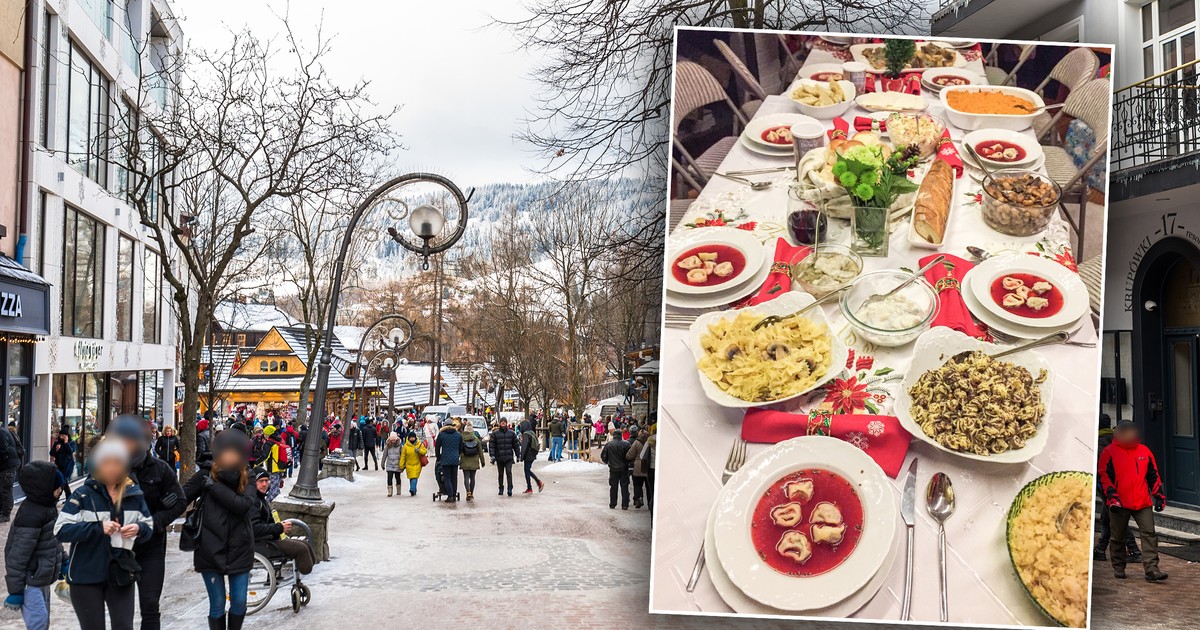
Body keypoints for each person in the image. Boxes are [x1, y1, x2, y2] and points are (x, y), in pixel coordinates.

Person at [54, 439, 153, 630]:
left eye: (117, 462)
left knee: (124, 626)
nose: (112, 468)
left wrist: (139, 529)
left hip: (121, 573)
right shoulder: (82, 495)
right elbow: (60, 530)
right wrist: (98, 528)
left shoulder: (134, 495)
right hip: (85, 575)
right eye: (107, 462)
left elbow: (148, 526)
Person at [110, 415, 187, 630]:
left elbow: (180, 502)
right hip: (118, 547)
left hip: (151, 546)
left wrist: (153, 523)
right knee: (121, 610)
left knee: (150, 605)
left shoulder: (161, 470)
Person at [183, 429, 258, 630]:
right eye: (226, 451)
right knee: (216, 604)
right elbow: (182, 498)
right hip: (210, 548)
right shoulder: (205, 475)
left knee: (239, 602)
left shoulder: (248, 476)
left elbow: (242, 505)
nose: (230, 456)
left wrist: (213, 487)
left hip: (240, 548)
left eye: (234, 452)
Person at [1098, 420, 1168, 582]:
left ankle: (1152, 569)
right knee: (1118, 536)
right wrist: (1112, 498)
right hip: (1119, 503)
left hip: (1142, 501)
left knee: (1149, 533)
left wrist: (1159, 496)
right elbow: (1104, 477)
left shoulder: (1144, 451)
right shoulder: (1109, 452)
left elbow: (1153, 475)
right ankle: (1119, 566)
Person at [3, 461, 65, 630]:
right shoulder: (31, 515)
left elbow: (53, 541)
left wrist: (64, 562)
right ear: (43, 489)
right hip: (30, 581)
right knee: (38, 622)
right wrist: (15, 591)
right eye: (57, 487)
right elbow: (17, 555)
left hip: (42, 577)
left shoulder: (48, 508)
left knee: (43, 622)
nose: (60, 490)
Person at [248, 468, 313, 575]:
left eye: (266, 481)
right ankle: (304, 572)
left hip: (266, 541)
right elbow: (254, 528)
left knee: (305, 545)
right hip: (259, 545)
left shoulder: (260, 498)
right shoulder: (253, 501)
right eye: (260, 481)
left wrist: (279, 528)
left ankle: (302, 573)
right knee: (301, 549)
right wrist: (279, 528)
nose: (264, 484)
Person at [1094, 415, 1139, 562]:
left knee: (1117, 520)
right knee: (1106, 518)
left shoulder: (1099, 443)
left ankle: (1134, 550)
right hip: (1121, 484)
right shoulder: (1117, 440)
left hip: (1108, 487)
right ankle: (1100, 549)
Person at [601, 430, 631, 510]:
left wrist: (608, 462)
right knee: (624, 486)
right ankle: (625, 504)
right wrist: (627, 463)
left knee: (613, 487)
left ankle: (613, 503)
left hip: (613, 468)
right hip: (624, 468)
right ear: (621, 435)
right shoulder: (626, 444)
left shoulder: (609, 444)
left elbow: (603, 456)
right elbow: (630, 456)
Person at [489, 419, 519, 496]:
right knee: (500, 474)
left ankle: (510, 488)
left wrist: (518, 454)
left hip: (508, 457)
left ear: (506, 423)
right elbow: (492, 445)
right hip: (499, 457)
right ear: (499, 424)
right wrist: (492, 455)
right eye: (501, 423)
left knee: (509, 472)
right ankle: (501, 488)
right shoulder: (495, 434)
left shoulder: (511, 433)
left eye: (504, 423)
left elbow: (516, 445)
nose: (503, 424)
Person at [434, 419, 462, 502]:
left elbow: (437, 447)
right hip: (455, 459)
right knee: (454, 477)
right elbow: (461, 447)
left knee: (447, 478)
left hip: (445, 458)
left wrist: (438, 458)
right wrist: (457, 454)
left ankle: (450, 496)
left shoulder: (441, 435)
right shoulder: (458, 434)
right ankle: (454, 494)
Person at [459, 423, 486, 501]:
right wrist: (482, 461)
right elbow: (480, 451)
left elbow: (459, 450)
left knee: (466, 477)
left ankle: (468, 492)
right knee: (473, 477)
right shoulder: (476, 439)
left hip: (465, 460)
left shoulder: (462, 439)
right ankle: (472, 493)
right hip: (474, 460)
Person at [518, 420, 544, 494]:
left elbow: (524, 447)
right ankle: (531, 486)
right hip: (532, 454)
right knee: (527, 470)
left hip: (528, 455)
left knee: (527, 471)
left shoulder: (526, 434)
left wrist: (522, 456)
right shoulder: (532, 432)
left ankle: (537, 483)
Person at [0, 420, 20, 522]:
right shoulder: (3, 431)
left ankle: (5, 514)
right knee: (3, 489)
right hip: (7, 465)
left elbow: (3, 451)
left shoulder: (2, 433)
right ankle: (3, 512)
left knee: (6, 489)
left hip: (8, 465)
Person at [262, 426, 287, 502]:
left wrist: (256, 464)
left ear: (268, 434)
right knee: (275, 486)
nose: (264, 436)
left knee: (273, 488)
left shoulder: (269, 443)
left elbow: (265, 456)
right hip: (281, 467)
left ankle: (269, 504)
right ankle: (275, 500)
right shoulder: (280, 440)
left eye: (265, 434)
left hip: (273, 468)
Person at [627, 429, 649, 509]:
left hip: (638, 466)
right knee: (648, 486)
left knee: (637, 485)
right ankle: (650, 502)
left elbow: (630, 455)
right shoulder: (650, 443)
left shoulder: (636, 443)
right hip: (648, 466)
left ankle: (639, 498)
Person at [50, 431, 75, 496]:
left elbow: (70, 451)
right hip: (58, 465)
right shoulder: (57, 443)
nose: (62, 437)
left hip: (68, 465)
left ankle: (57, 496)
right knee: (62, 481)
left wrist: (66, 443)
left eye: (64, 436)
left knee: (62, 481)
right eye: (61, 435)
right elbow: (51, 453)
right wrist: (56, 450)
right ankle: (68, 495)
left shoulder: (71, 443)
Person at [381, 432, 404, 497]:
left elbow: (403, 455)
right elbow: (384, 455)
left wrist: (403, 465)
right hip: (389, 465)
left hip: (397, 464)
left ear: (396, 439)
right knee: (389, 477)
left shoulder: (400, 446)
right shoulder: (387, 446)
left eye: (394, 439)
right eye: (392, 440)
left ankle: (398, 489)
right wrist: (382, 463)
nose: (393, 441)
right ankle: (390, 491)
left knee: (397, 477)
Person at [643, 425, 657, 513]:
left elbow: (642, 455)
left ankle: (652, 519)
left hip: (651, 469)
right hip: (663, 470)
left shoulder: (649, 441)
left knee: (652, 493)